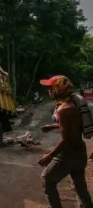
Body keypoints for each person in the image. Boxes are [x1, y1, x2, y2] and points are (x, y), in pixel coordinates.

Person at [39, 75, 93, 208]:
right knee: (80, 187)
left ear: (59, 89)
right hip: (80, 153)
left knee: (47, 180)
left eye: (51, 87)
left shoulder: (64, 110)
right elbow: (73, 128)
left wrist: (50, 155)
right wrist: (52, 126)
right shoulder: (73, 105)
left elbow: (66, 139)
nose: (49, 91)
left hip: (68, 154)